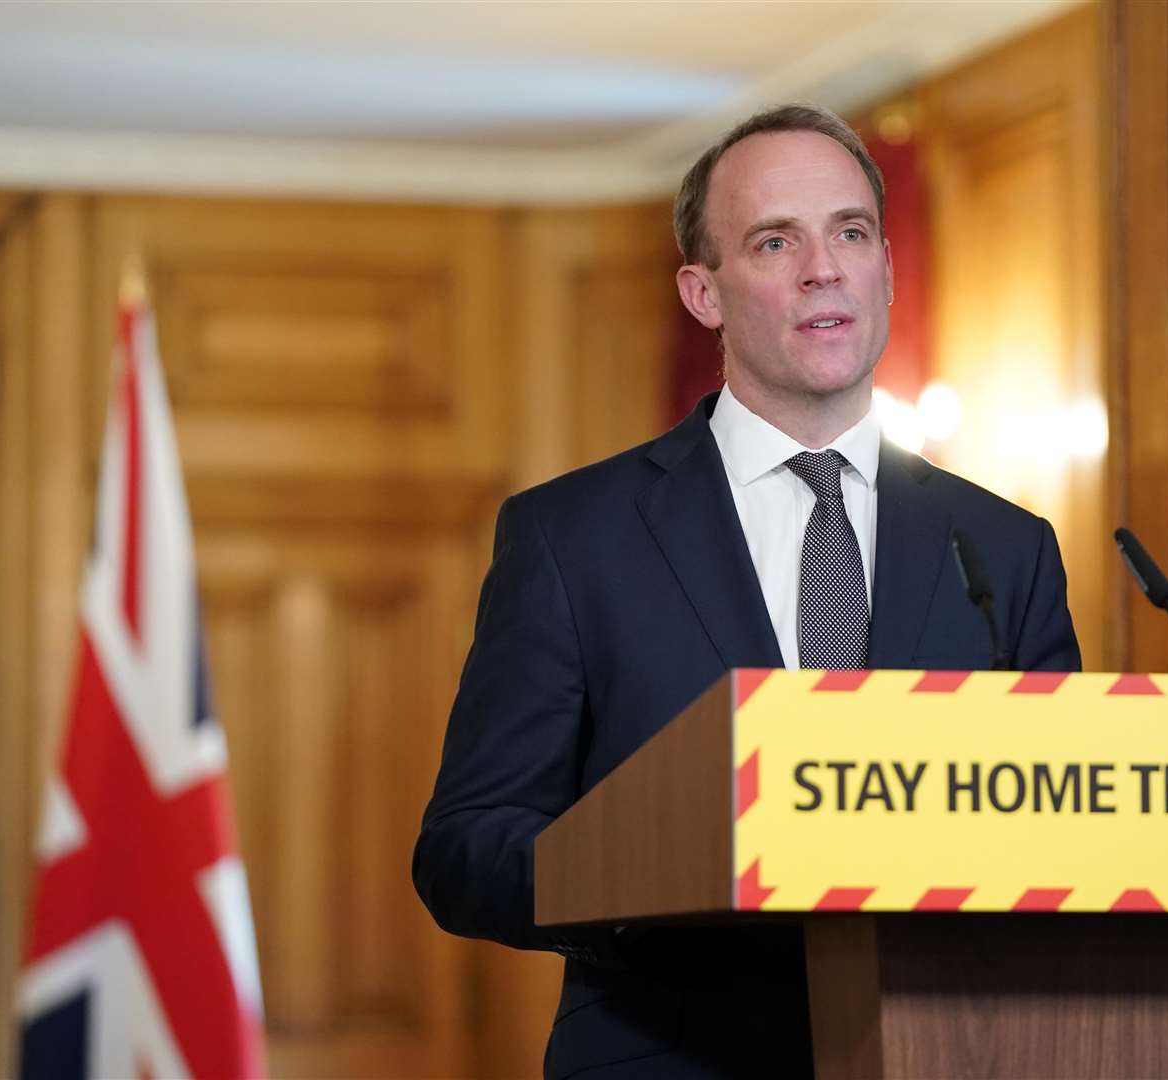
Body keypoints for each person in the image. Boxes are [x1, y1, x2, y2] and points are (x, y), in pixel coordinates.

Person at [412, 103, 1080, 1080]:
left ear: (887, 272)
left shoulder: (1002, 548)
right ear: (704, 294)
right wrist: (647, 878)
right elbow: (467, 850)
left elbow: (1068, 823)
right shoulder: (574, 540)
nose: (824, 267)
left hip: (951, 1051)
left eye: (850, 233)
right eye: (776, 241)